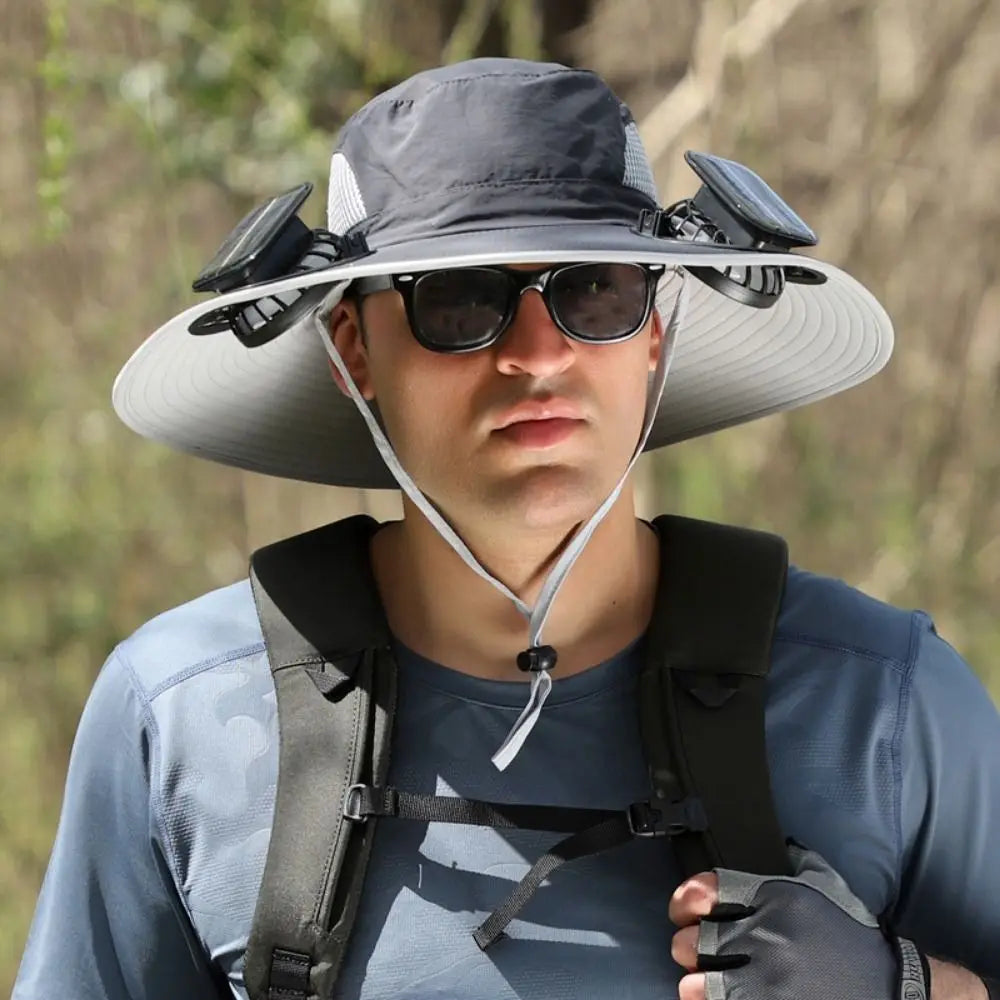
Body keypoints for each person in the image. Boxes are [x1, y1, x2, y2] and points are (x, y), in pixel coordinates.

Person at [13, 57, 1000, 1000]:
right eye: (459, 299)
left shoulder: (883, 703)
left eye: (593, 291)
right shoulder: (179, 716)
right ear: (353, 347)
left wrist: (910, 987)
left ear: (654, 330)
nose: (537, 354)